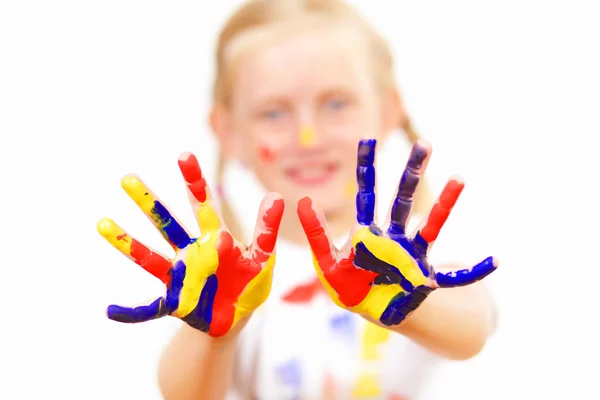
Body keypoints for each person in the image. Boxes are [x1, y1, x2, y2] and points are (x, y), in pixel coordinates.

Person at [98, 1, 498, 399]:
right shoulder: (217, 273)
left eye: (336, 103)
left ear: (388, 111)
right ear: (229, 131)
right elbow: (186, 395)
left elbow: (474, 326)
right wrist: (217, 334)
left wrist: (414, 301)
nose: (308, 136)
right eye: (273, 113)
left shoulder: (413, 250)